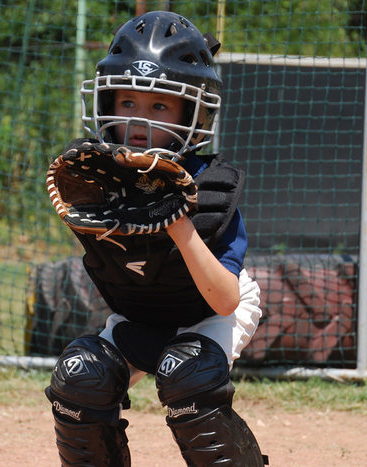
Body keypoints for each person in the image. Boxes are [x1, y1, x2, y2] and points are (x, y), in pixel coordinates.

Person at [45, 10, 266, 466]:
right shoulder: (98, 178)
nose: (140, 122)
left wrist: (180, 224)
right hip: (144, 311)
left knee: (187, 373)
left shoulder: (209, 190)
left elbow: (225, 301)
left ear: (193, 112)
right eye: (127, 103)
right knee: (80, 376)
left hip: (210, 313)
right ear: (106, 106)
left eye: (159, 106)